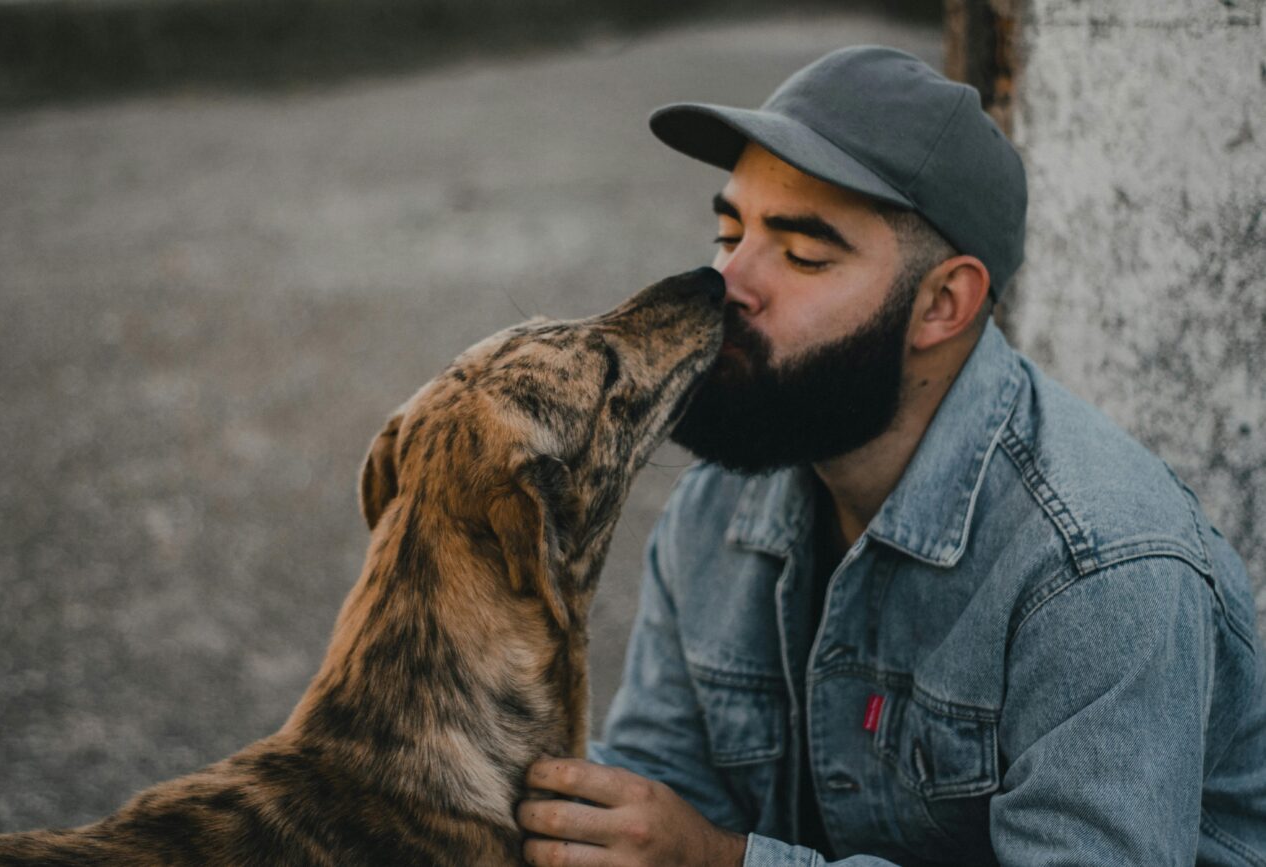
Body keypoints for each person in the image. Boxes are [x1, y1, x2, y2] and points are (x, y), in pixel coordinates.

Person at [515, 45, 1266, 866]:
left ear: (943, 304)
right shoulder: (716, 508)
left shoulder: (1100, 567)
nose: (728, 281)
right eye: (730, 231)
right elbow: (653, 792)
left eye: (803, 254)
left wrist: (722, 860)